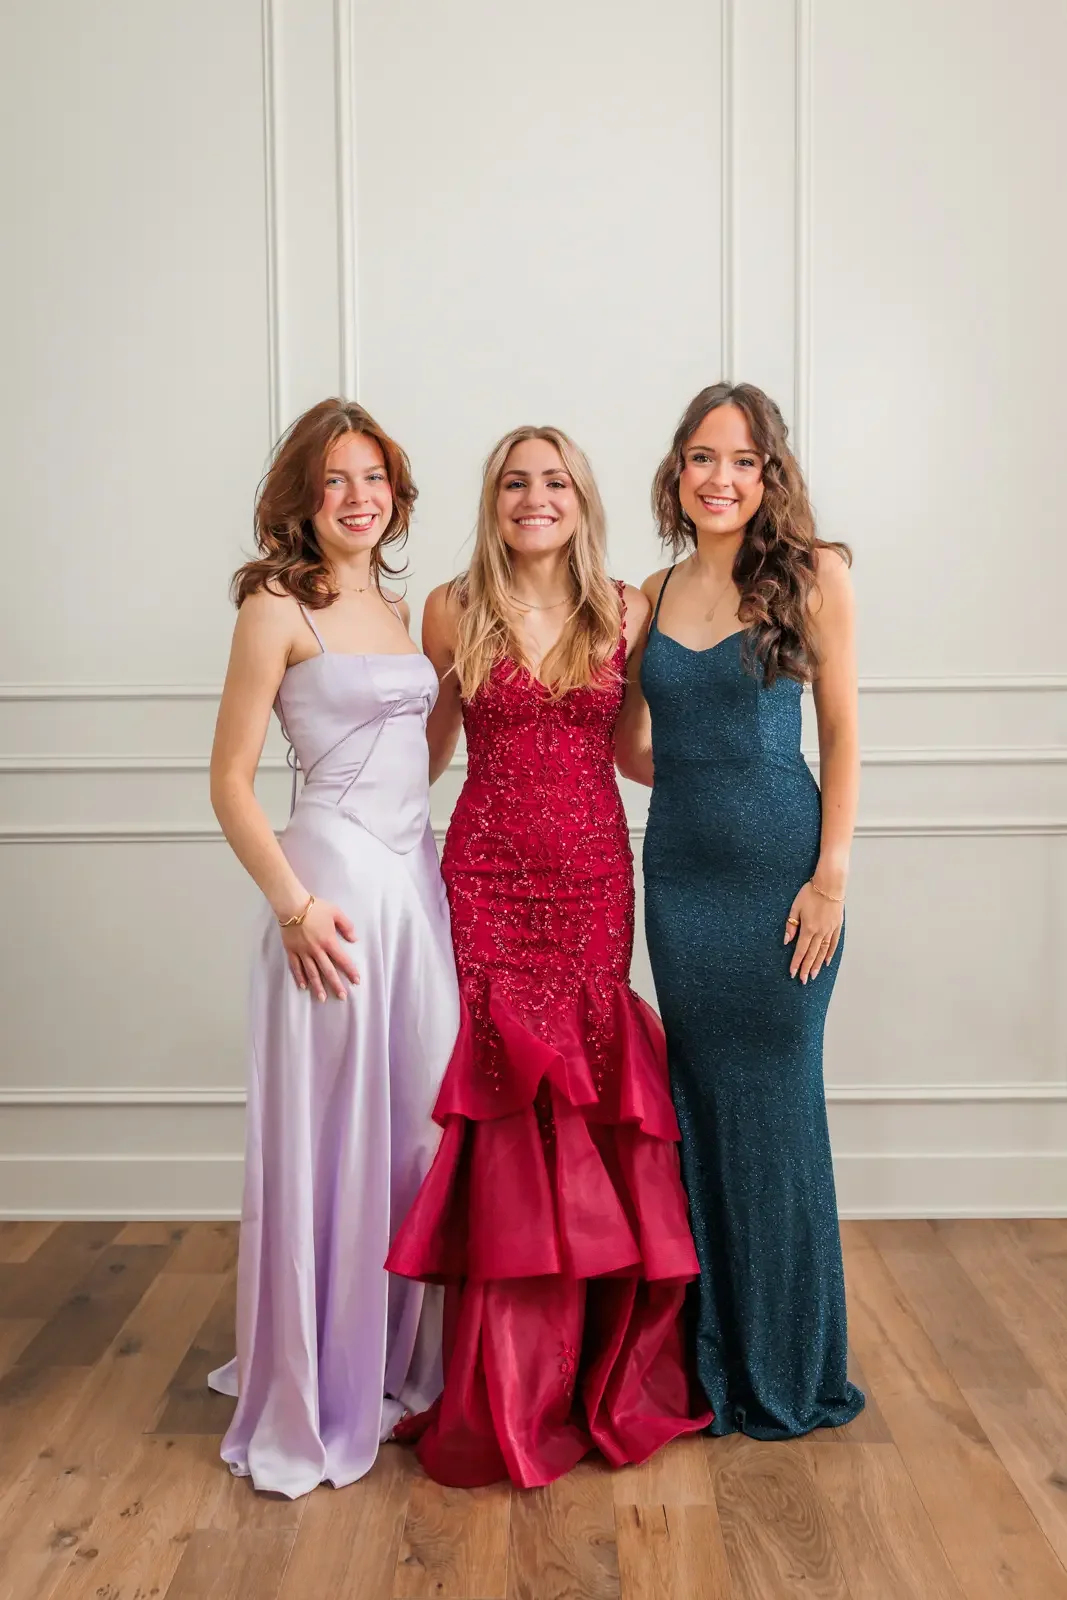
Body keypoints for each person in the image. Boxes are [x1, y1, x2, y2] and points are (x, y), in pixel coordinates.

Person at [385, 425, 710, 1487]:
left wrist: (731, 776)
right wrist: (352, 827)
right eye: (516, 482)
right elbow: (423, 751)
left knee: (583, 1108)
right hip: (481, 878)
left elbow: (629, 751)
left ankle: (582, 1377)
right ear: (493, 500)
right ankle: (498, 1386)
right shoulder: (448, 608)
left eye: (553, 481)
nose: (535, 497)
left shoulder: (626, 608)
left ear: (580, 498)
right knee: (500, 1110)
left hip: (588, 885)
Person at [207, 398, 459, 1497]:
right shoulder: (274, 605)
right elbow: (228, 780)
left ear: (395, 494)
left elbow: (424, 749)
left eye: (376, 479)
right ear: (304, 500)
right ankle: (321, 1377)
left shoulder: (405, 609)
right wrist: (293, 905)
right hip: (331, 891)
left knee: (418, 1126)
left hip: (415, 884)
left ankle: (402, 1361)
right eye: (336, 482)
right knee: (339, 1141)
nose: (360, 498)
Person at [616, 382, 865, 1438]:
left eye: (741, 461)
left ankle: (789, 1368)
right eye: (701, 458)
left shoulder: (812, 577)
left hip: (781, 880)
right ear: (677, 470)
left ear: (769, 476)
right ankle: (713, 1361)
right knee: (700, 1111)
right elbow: (628, 742)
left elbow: (844, 735)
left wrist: (830, 875)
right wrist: (695, 774)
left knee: (775, 1111)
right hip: (678, 882)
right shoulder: (650, 592)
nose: (719, 478)